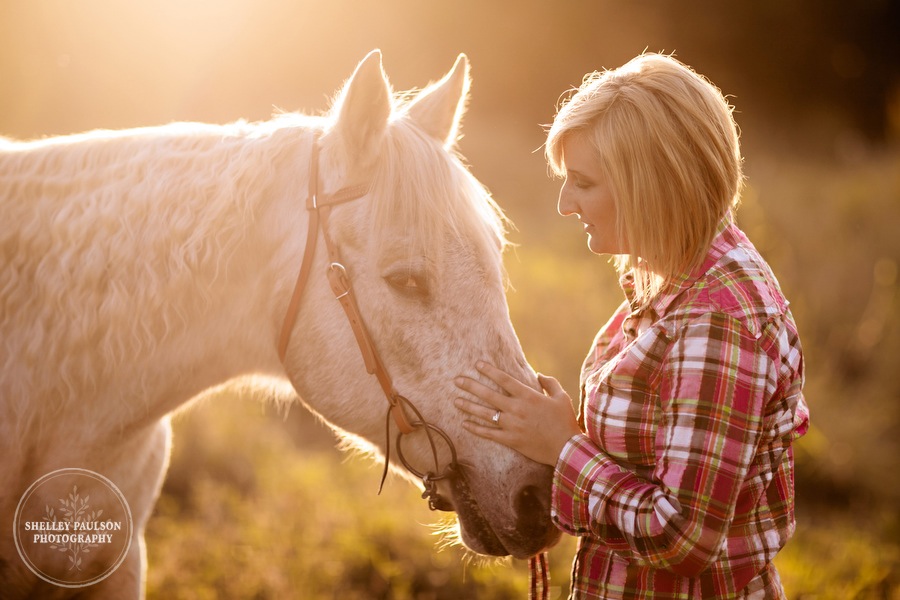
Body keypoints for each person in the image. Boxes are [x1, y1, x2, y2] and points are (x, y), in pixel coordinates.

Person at [454, 53, 809, 599]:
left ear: (652, 182)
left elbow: (683, 537)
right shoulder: (672, 280)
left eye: (584, 183)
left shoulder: (718, 319)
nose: (565, 203)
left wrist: (563, 447)